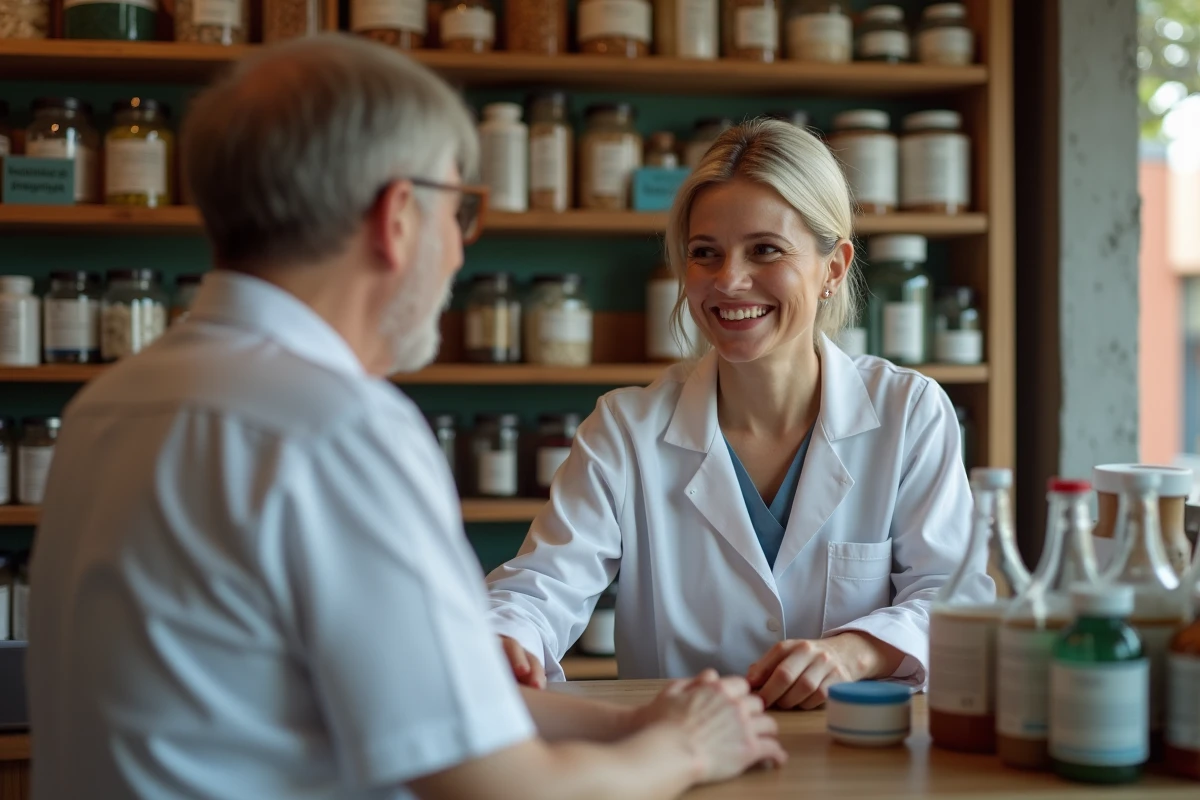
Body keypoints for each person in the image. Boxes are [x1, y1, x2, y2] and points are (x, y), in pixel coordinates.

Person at [27, 36, 785, 799]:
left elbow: (392, 703)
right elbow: (503, 789)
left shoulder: (108, 404)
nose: (457, 252)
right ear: (397, 217)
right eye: (457, 212)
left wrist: (630, 724)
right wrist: (685, 750)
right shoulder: (337, 427)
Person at [487, 119, 995, 708]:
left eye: (765, 250)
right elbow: (541, 584)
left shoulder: (909, 412)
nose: (729, 281)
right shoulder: (626, 430)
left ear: (832, 268)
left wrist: (856, 650)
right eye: (705, 254)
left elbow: (952, 596)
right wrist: (507, 635)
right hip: (682, 757)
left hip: (859, 749)